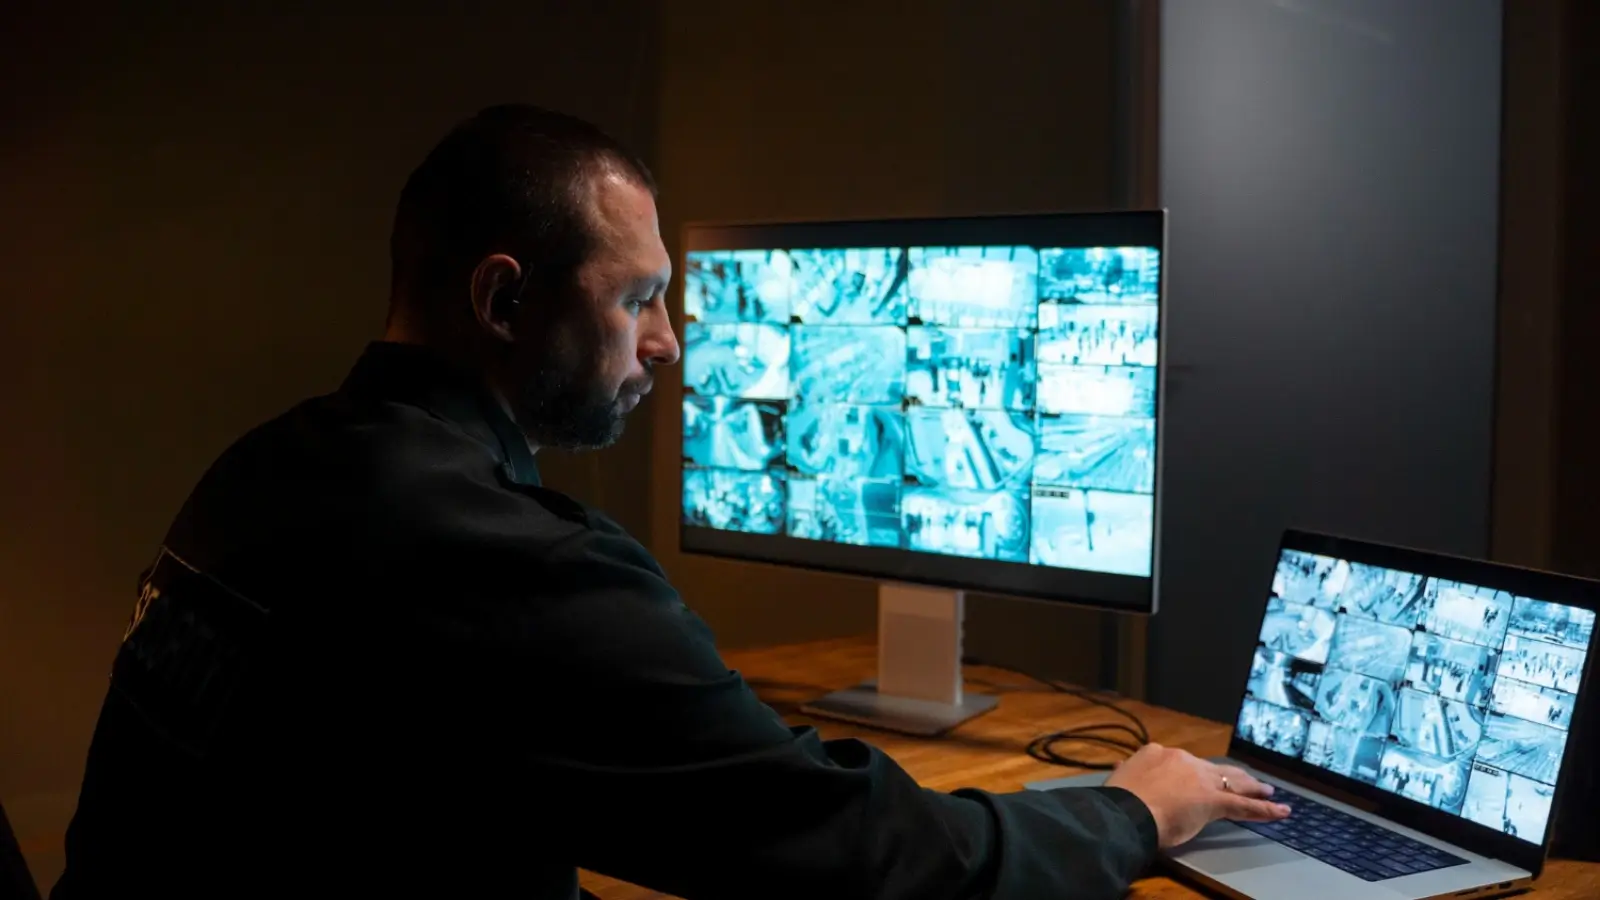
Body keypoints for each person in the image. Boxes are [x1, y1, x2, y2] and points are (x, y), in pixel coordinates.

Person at [51, 104, 1288, 899]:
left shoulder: (270, 463)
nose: (671, 344)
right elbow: (866, 860)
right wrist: (1128, 813)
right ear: (502, 301)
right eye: (638, 298)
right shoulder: (505, 561)